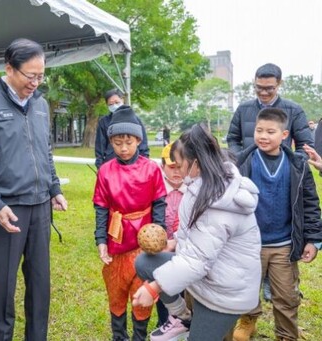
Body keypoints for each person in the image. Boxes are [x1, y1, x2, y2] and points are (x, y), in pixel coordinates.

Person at [0, 38, 67, 341]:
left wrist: (54, 187)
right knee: (0, 289)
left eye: (40, 75)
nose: (35, 83)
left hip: (39, 208)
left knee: (39, 284)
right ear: (9, 68)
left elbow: (45, 151)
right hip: (5, 212)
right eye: (29, 76)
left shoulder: (41, 105)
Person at [132, 124, 262, 341]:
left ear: (196, 163)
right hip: (207, 277)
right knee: (146, 262)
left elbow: (196, 261)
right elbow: (193, 237)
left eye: (180, 165)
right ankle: (183, 318)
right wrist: (175, 243)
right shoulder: (202, 184)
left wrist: (154, 288)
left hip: (225, 294)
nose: (178, 171)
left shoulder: (218, 206)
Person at [233, 108, 322, 341]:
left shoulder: (297, 165)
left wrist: (313, 239)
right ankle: (248, 318)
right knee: (247, 289)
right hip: (250, 244)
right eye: (259, 130)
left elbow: (310, 204)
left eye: (270, 131)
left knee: (286, 296)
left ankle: (286, 334)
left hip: (284, 244)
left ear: (285, 135)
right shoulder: (242, 162)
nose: (263, 136)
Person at [93, 106, 167, 341]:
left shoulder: (151, 169)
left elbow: (159, 204)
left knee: (140, 288)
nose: (123, 148)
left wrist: (159, 235)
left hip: (144, 238)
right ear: (111, 142)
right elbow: (101, 207)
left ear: (138, 139)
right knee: (116, 289)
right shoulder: (105, 171)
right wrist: (101, 240)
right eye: (117, 142)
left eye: (129, 142)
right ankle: (119, 336)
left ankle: (138, 336)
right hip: (117, 237)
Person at [226, 63, 313, 159]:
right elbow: (233, 138)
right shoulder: (243, 109)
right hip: (249, 170)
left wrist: (291, 164)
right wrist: (241, 159)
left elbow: (305, 145)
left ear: (279, 83)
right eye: (258, 87)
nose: (263, 92)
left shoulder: (294, 110)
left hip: (281, 170)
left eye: (269, 88)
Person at [153, 142, 186, 327]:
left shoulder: (193, 191)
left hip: (186, 251)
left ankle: (185, 322)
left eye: (180, 167)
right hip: (162, 250)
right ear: (162, 166)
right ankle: (163, 321)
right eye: (171, 167)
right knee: (163, 285)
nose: (176, 172)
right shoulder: (156, 191)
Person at [95, 89, 149, 169]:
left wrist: (144, 163)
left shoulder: (135, 120)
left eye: (117, 102)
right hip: (112, 164)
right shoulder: (103, 122)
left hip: (134, 165)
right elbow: (100, 145)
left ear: (122, 100)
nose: (114, 105)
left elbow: (143, 145)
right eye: (111, 104)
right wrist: (100, 166)